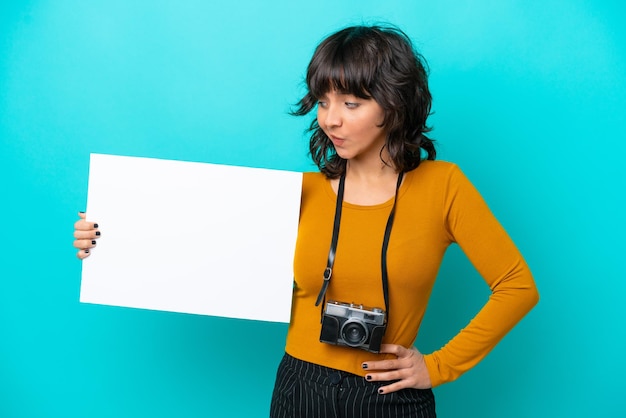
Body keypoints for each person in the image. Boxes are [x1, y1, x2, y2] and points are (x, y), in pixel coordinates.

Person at [74, 24, 539, 418]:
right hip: (301, 387)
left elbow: (518, 285)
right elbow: (193, 245)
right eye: (322, 102)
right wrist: (106, 239)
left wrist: (438, 366)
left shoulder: (444, 186)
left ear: (393, 105)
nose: (330, 120)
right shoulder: (298, 193)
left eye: (351, 104)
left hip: (391, 395)